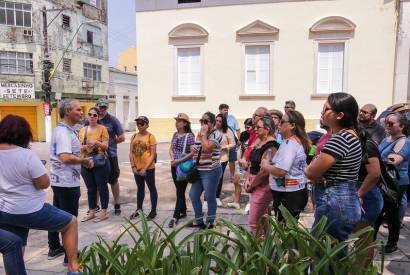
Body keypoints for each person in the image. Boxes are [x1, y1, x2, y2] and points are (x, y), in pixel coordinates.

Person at [0, 114, 82, 273]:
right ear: (24, 134)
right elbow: (44, 183)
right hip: (30, 210)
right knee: (70, 223)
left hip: (6, 210)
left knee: (17, 244)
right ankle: (73, 267)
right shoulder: (26, 155)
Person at [305, 92, 363, 242]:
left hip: (335, 199)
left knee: (324, 252)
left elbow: (311, 171)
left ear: (339, 115)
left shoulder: (342, 138)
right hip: (340, 197)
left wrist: (312, 171)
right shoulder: (347, 136)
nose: (322, 112)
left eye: (326, 109)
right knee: (332, 251)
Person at [48, 99, 93, 266]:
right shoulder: (63, 132)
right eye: (78, 110)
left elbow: (65, 151)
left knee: (57, 216)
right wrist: (85, 161)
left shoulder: (64, 130)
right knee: (69, 221)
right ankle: (70, 257)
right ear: (67, 111)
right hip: (66, 183)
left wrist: (82, 149)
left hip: (62, 181)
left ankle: (54, 247)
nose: (81, 113)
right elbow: (65, 157)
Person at [261, 110, 310, 221]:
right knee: (287, 229)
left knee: (286, 231)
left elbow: (281, 171)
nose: (278, 124)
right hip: (290, 192)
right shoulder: (290, 141)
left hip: (288, 195)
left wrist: (265, 165)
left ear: (292, 125)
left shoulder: (291, 144)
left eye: (282, 121)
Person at [374, 112, 410, 253]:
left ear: (401, 126)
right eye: (386, 122)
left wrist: (374, 158)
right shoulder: (386, 139)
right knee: (377, 211)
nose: (387, 126)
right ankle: (369, 239)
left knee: (391, 213)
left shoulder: (405, 142)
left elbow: (395, 160)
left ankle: (392, 242)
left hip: (396, 182)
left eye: (391, 123)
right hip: (382, 180)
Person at [245, 115, 279, 235]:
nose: (255, 129)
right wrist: (247, 179)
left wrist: (252, 185)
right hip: (253, 182)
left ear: (267, 129)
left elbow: (264, 171)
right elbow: (251, 163)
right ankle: (266, 247)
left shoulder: (271, 146)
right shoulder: (259, 141)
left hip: (263, 185)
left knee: (253, 221)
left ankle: (257, 250)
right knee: (263, 218)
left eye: (258, 127)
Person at [352, 135, 383, 266]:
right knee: (361, 237)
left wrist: (359, 194)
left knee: (363, 238)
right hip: (359, 190)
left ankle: (363, 270)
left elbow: (375, 173)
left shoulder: (366, 144)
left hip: (366, 194)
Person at [189, 112, 223, 229]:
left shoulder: (217, 135)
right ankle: (199, 219)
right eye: (201, 121)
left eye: (206, 121)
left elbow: (207, 148)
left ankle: (210, 220)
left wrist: (203, 135)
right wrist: (192, 148)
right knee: (193, 195)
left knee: (209, 196)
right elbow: (197, 147)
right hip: (199, 170)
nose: (203, 124)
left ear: (213, 123)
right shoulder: (200, 134)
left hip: (211, 171)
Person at [79, 107, 110, 222]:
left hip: (99, 162)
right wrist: (86, 147)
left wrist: (96, 143)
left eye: (95, 115)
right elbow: (78, 147)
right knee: (90, 188)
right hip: (86, 161)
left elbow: (106, 146)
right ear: (87, 116)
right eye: (90, 114)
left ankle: (104, 211)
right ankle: (91, 211)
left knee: (102, 187)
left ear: (98, 117)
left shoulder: (102, 129)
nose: (92, 117)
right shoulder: (83, 130)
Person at [95, 98, 125, 215]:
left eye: (104, 108)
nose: (101, 110)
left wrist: (110, 143)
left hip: (111, 155)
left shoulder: (112, 120)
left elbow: (122, 137)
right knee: (96, 182)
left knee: (113, 180)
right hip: (96, 155)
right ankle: (95, 205)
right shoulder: (92, 118)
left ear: (107, 108)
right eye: (100, 107)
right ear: (96, 106)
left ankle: (117, 204)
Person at [168, 113, 195, 228]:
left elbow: (193, 153)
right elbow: (171, 148)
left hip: (183, 167)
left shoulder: (189, 136)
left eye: (180, 121)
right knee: (179, 189)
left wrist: (179, 161)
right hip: (174, 165)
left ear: (185, 123)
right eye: (177, 120)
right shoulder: (175, 134)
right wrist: (173, 158)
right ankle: (183, 210)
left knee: (180, 190)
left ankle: (175, 216)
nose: (177, 122)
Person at [129, 116, 158, 220]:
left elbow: (152, 154)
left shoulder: (151, 137)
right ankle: (139, 209)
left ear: (147, 125)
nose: (139, 125)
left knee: (151, 188)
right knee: (140, 189)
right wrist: (133, 166)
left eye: (142, 123)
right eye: (138, 124)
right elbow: (131, 152)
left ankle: (153, 211)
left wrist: (145, 168)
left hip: (148, 169)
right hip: (137, 168)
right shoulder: (133, 136)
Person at [227, 118, 253, 209]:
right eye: (245, 127)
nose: (247, 129)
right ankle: (236, 202)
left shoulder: (256, 136)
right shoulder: (244, 134)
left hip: (251, 163)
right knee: (236, 181)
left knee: (249, 183)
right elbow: (241, 146)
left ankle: (250, 204)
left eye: (248, 127)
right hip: (242, 161)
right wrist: (240, 159)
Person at [215, 114, 236, 206]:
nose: (218, 123)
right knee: (210, 178)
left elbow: (233, 144)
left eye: (220, 121)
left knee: (219, 178)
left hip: (222, 159)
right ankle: (207, 198)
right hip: (211, 158)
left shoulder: (227, 131)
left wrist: (224, 147)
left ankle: (216, 197)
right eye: (217, 120)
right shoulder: (212, 130)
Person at [219, 104, 240, 181]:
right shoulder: (217, 119)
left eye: (227, 109)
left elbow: (237, 129)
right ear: (220, 110)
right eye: (225, 110)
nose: (226, 111)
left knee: (232, 159)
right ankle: (219, 175)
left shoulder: (232, 118)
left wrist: (239, 139)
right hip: (222, 143)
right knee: (221, 160)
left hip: (232, 141)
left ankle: (231, 175)